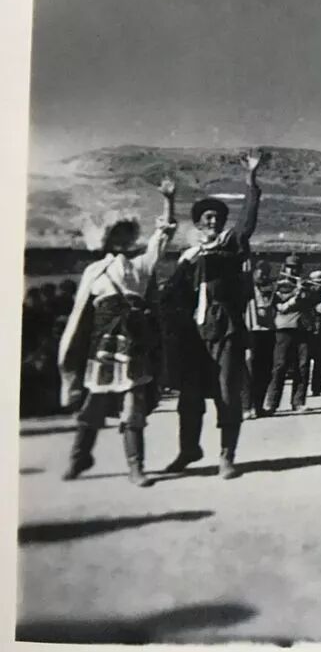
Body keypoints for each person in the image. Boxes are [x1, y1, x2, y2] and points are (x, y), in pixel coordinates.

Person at [57, 179, 177, 485]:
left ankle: (136, 468)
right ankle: (79, 458)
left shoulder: (140, 266)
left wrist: (168, 200)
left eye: (126, 233)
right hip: (102, 346)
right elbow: (81, 317)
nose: (122, 239)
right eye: (116, 234)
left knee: (133, 404)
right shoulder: (93, 272)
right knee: (93, 405)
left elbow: (163, 236)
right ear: (107, 239)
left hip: (133, 344)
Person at [162, 151, 264, 479]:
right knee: (189, 396)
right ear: (197, 223)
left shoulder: (230, 245)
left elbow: (247, 221)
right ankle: (188, 449)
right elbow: (172, 294)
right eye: (206, 217)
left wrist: (251, 179)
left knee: (226, 393)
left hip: (225, 330)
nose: (212, 221)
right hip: (194, 333)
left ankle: (226, 455)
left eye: (217, 217)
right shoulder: (189, 256)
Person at [264, 254, 315, 414]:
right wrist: (296, 294)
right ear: (285, 268)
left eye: (296, 268)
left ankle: (298, 402)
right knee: (280, 366)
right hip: (283, 328)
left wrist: (307, 291)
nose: (292, 270)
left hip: (302, 329)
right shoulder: (279, 286)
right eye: (290, 267)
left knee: (303, 366)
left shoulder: (305, 285)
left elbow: (311, 304)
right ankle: (272, 403)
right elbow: (281, 307)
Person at [243, 259, 276, 419]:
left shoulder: (270, 289)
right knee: (250, 371)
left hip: (268, 332)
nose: (264, 277)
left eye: (266, 274)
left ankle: (258, 405)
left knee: (265, 371)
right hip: (252, 332)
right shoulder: (246, 289)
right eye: (261, 273)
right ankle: (246, 406)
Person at [307, 270, 321, 397]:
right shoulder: (306, 295)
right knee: (304, 363)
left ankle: (317, 388)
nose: (319, 285)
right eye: (316, 283)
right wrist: (315, 309)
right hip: (308, 333)